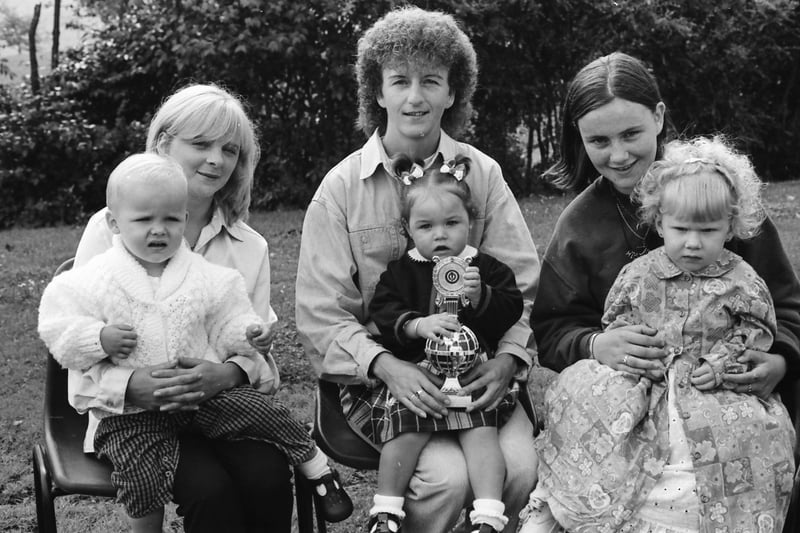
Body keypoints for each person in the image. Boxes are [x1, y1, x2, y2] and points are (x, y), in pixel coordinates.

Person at [529, 51, 800, 532]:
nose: (618, 154)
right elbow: (551, 327)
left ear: (657, 117)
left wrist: (779, 359)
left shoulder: (716, 195)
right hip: (629, 397)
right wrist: (595, 343)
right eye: (599, 140)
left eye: (631, 134)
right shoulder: (580, 225)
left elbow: (785, 306)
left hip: (724, 387)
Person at [295, 6, 541, 533]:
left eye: (432, 81)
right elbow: (320, 315)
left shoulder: (484, 174)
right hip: (382, 377)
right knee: (448, 479)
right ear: (376, 92)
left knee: (520, 470)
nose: (415, 96)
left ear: (453, 93)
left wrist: (508, 361)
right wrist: (388, 365)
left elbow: (521, 285)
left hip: (478, 372)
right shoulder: (340, 190)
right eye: (400, 81)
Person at [38, 154, 352, 532]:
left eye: (171, 219)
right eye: (143, 221)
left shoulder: (202, 276)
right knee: (144, 477)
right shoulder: (94, 279)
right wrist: (98, 339)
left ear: (184, 220)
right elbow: (58, 326)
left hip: (206, 398)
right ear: (113, 223)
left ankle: (317, 469)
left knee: (264, 415)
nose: (159, 230)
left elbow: (228, 318)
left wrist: (248, 333)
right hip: (133, 415)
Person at [71, 84, 296, 532]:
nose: (216, 159)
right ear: (162, 144)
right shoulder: (110, 229)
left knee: (269, 475)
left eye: (229, 149)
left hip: (223, 409)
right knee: (211, 492)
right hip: (135, 418)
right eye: (200, 144)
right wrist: (131, 385)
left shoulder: (250, 247)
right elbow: (78, 341)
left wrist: (228, 374)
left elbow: (256, 351)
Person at [359, 155, 524, 533]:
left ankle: (488, 514)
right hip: (419, 375)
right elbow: (383, 313)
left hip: (471, 372)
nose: (440, 235)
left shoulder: (485, 268)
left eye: (452, 223)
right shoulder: (402, 272)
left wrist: (482, 295)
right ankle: (386, 511)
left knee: (481, 431)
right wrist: (416, 325)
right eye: (426, 226)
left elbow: (511, 308)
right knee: (406, 429)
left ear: (470, 220)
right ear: (408, 229)